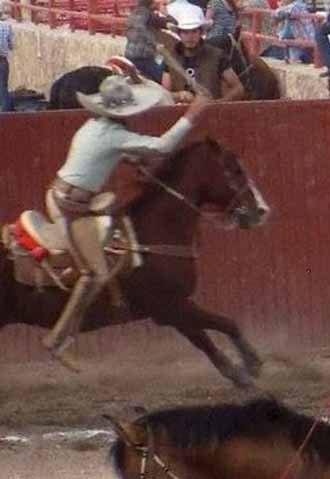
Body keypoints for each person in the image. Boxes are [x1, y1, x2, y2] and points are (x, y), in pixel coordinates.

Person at [42, 77, 210, 365]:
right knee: (95, 273)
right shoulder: (114, 135)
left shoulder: (94, 126)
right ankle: (57, 340)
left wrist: (132, 158)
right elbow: (161, 147)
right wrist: (193, 112)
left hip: (65, 198)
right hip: (71, 208)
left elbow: (106, 154)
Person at [162, 2, 243, 100]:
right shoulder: (170, 58)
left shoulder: (217, 56)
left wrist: (219, 104)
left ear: (200, 33)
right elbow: (164, 93)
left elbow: (238, 88)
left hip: (210, 110)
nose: (190, 36)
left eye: (194, 31)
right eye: (185, 32)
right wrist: (179, 95)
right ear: (179, 34)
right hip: (180, 111)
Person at [0, 0, 13, 113]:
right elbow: (11, 45)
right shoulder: (7, 26)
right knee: (3, 87)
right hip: (3, 60)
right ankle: (6, 111)